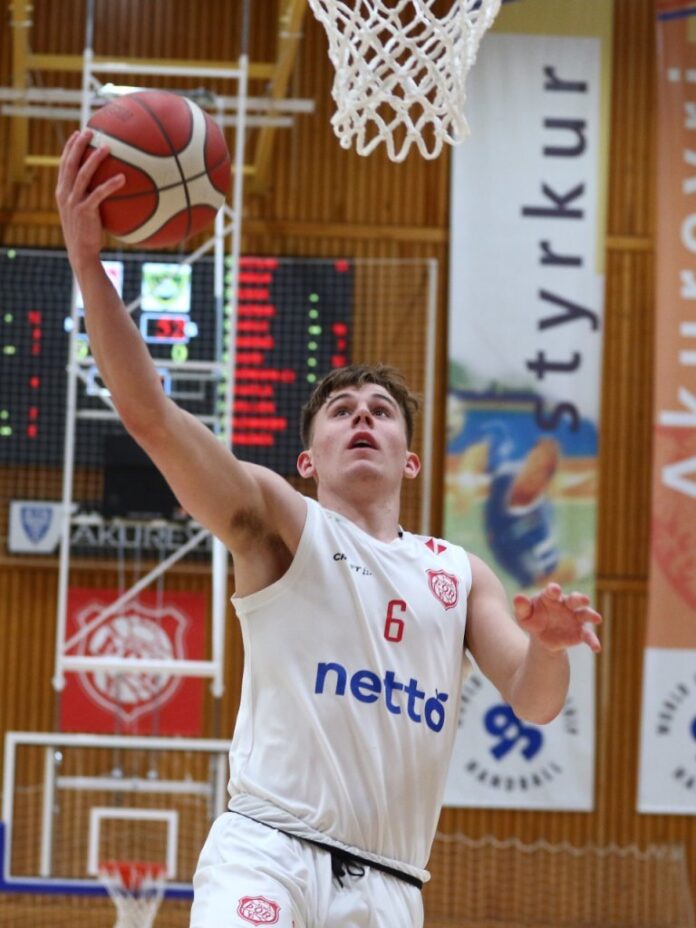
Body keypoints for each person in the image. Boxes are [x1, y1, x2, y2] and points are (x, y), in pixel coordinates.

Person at [56, 129, 602, 928]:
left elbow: (535, 701)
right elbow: (151, 417)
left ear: (410, 460)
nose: (363, 419)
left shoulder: (460, 574)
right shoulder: (282, 523)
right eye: (342, 411)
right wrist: (86, 264)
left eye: (381, 412)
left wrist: (550, 648)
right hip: (266, 852)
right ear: (307, 460)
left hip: (389, 885)